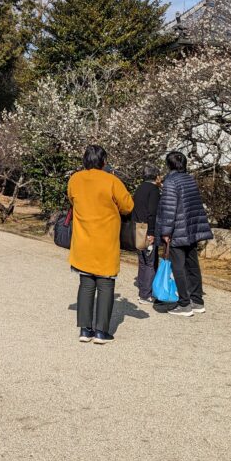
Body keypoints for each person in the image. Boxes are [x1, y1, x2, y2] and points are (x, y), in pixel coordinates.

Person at [67, 144, 134, 344]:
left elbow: (72, 199)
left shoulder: (75, 179)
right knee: (105, 285)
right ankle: (101, 331)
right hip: (105, 240)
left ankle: (84, 330)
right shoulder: (111, 181)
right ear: (104, 161)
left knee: (86, 284)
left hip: (83, 240)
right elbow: (128, 206)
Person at [155, 151, 213, 317]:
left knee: (178, 266)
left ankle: (184, 303)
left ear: (169, 164)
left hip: (177, 231)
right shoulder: (189, 179)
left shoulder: (171, 182)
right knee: (192, 264)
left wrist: (166, 232)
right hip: (191, 229)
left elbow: (168, 209)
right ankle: (197, 301)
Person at [132, 164, 162, 303]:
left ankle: (143, 290)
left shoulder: (139, 189)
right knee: (150, 262)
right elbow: (152, 213)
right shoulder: (153, 190)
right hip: (147, 228)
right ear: (156, 176)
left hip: (137, 227)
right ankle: (146, 294)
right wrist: (151, 232)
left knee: (143, 261)